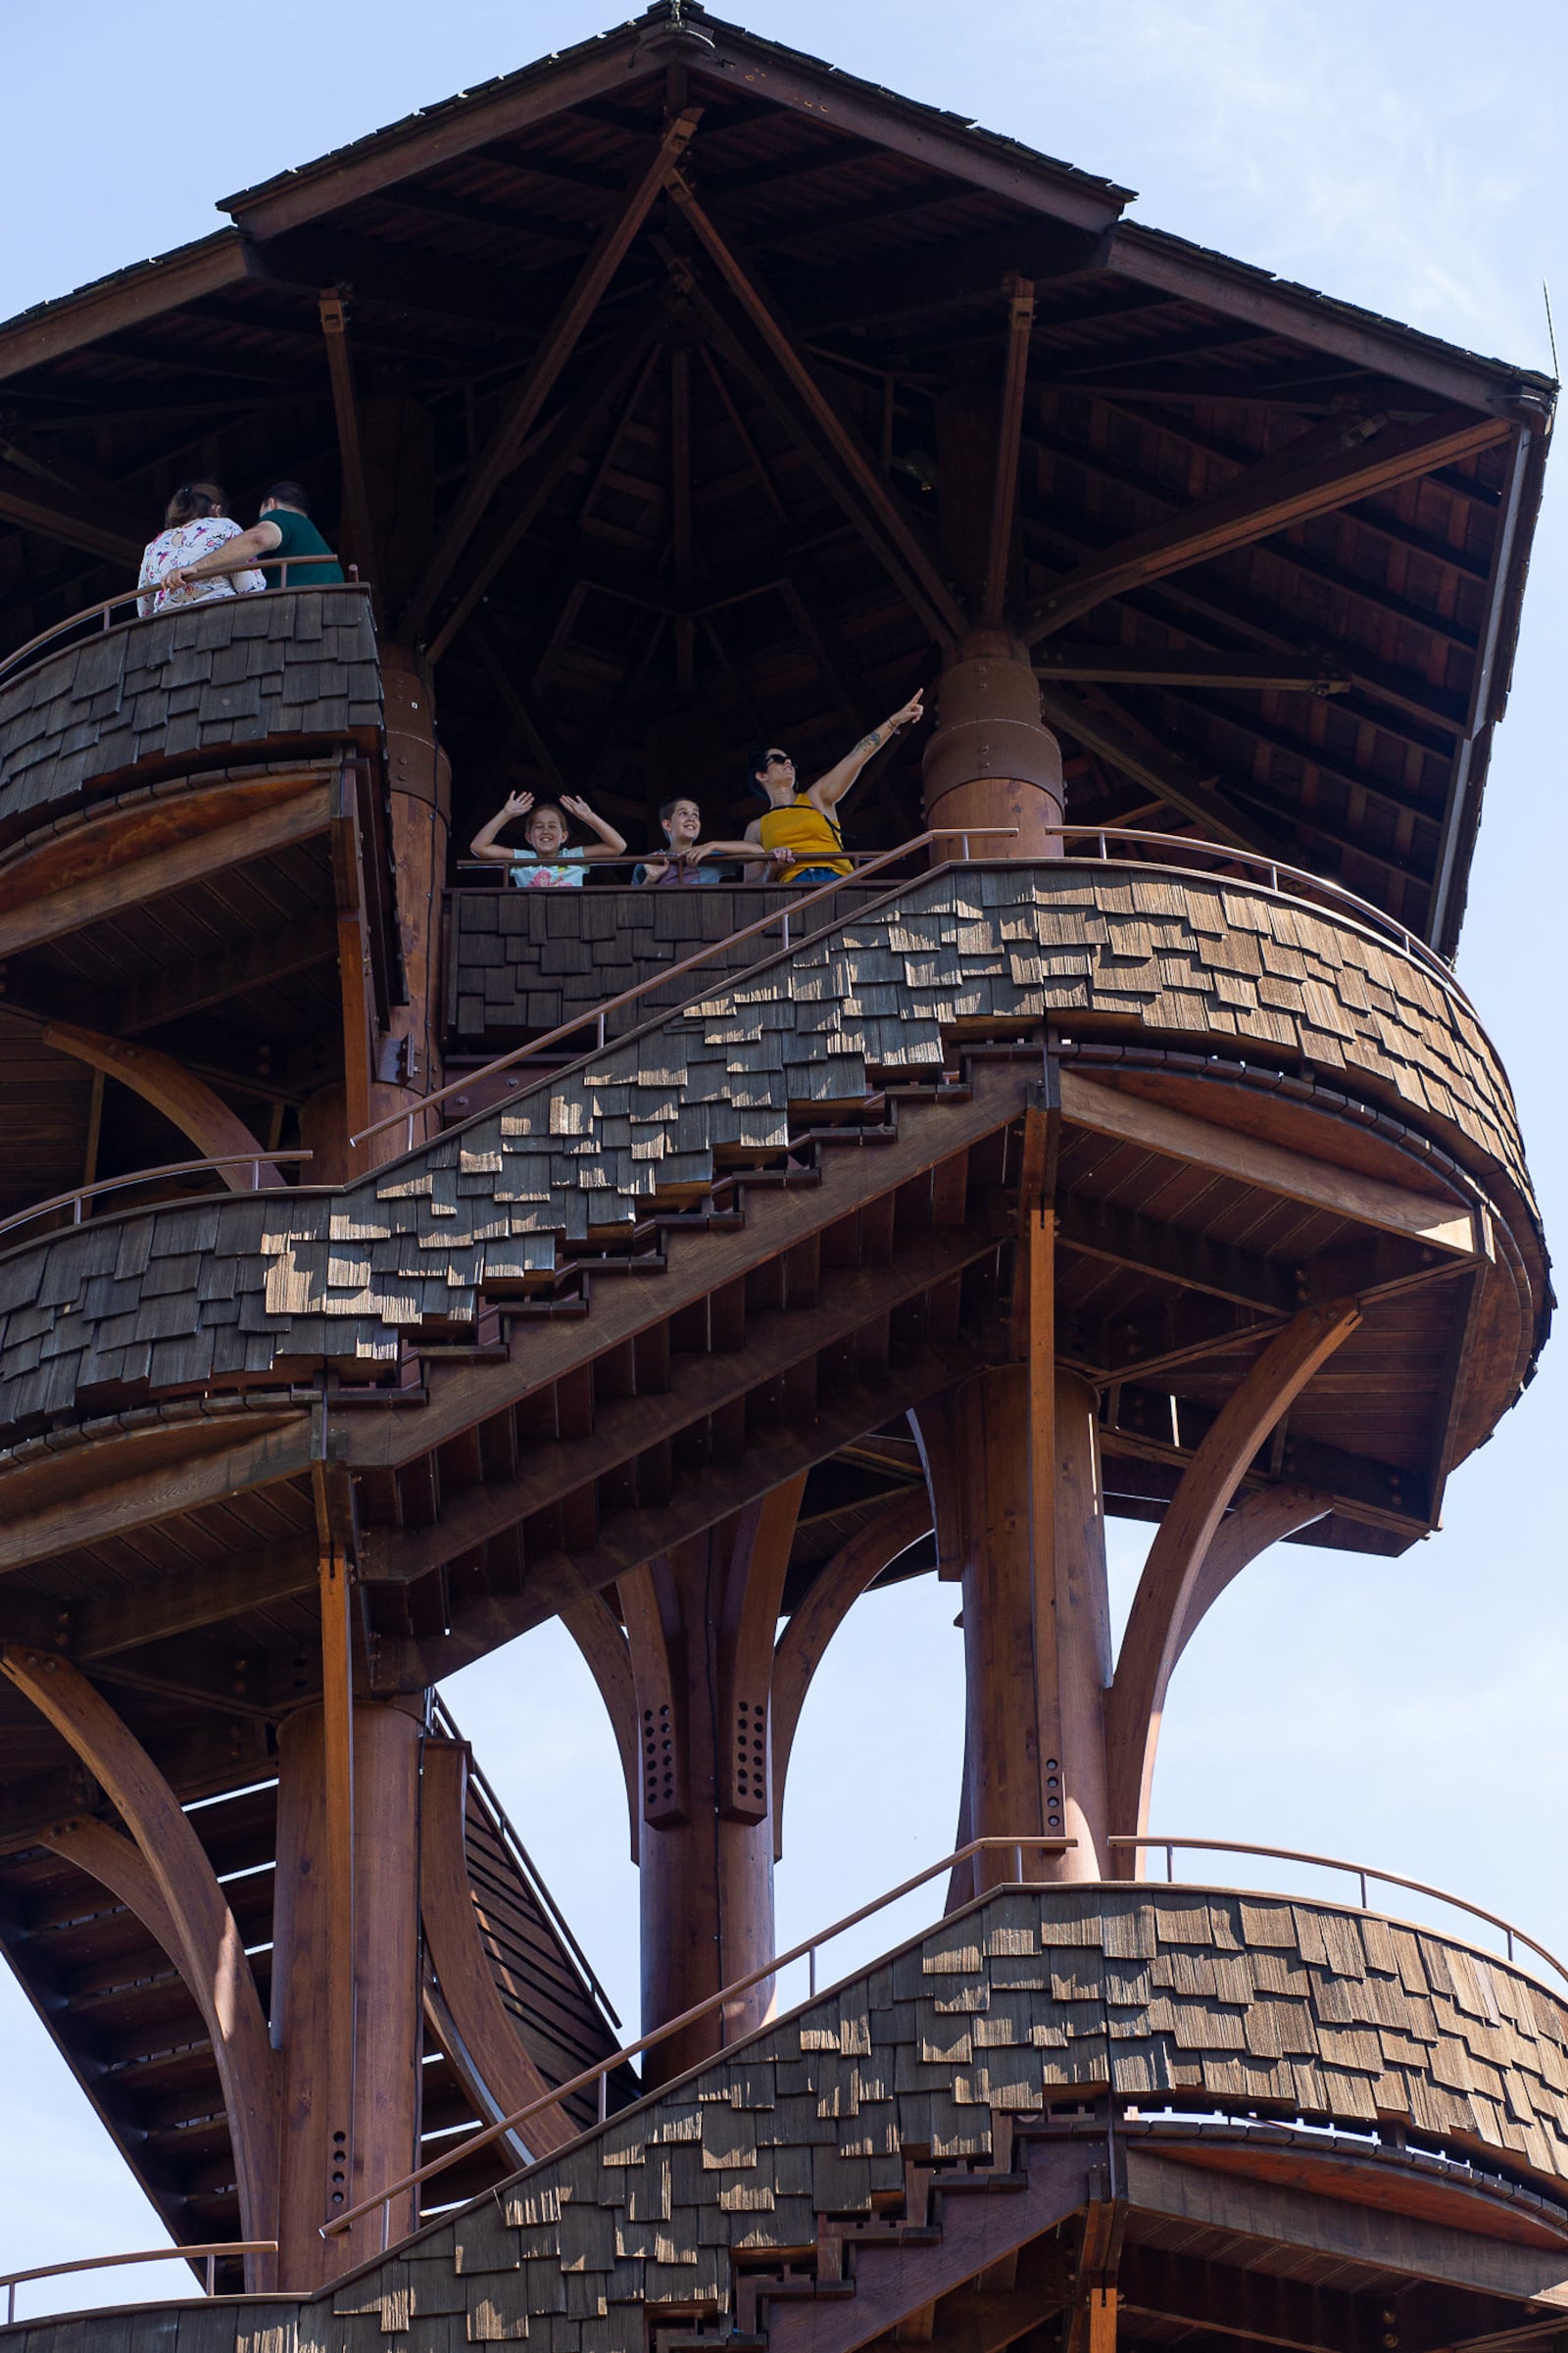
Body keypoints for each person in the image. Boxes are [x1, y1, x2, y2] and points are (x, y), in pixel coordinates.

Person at [743, 692, 925, 884]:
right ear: (761, 775)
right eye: (779, 759)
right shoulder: (756, 828)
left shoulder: (816, 797)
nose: (787, 762)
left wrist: (893, 722)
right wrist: (772, 868)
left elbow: (855, 758)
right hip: (794, 888)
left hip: (838, 880)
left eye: (790, 760)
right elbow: (752, 887)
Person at [168, 480, 344, 595]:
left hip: (296, 613)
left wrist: (197, 567)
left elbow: (258, 538)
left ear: (271, 504)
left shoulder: (281, 516)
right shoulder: (316, 542)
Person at [136, 483, 267, 615]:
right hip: (220, 617)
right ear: (217, 510)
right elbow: (250, 586)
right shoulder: (224, 526)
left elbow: (145, 607)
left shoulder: (153, 546)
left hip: (167, 626)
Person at [468, 788, 626, 888]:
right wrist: (506, 814)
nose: (545, 831)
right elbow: (479, 847)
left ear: (564, 836)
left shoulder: (572, 857)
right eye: (538, 827)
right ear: (529, 837)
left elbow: (617, 847)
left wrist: (588, 817)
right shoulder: (522, 859)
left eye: (552, 826)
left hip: (571, 924)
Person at [636, 796, 790, 885]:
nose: (691, 818)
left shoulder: (710, 856)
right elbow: (632, 904)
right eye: (683, 813)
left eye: (695, 815)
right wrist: (650, 879)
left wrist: (713, 845)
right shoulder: (651, 860)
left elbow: (758, 850)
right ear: (667, 824)